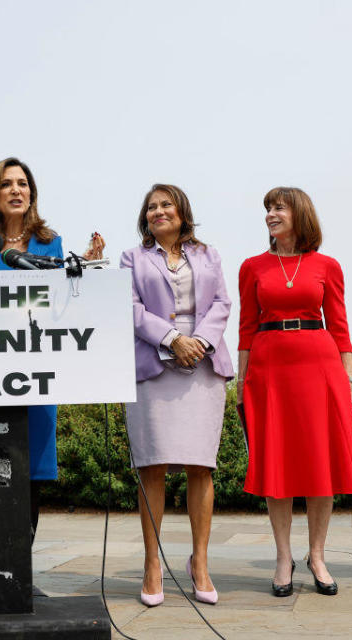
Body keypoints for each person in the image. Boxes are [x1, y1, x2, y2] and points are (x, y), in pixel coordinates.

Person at [0, 157, 104, 599]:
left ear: (32, 193)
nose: (17, 190)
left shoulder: (48, 243)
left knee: (28, 478)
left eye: (24, 184)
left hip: (34, 379)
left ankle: (18, 573)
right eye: (7, 184)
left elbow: (59, 305)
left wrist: (86, 271)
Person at [237, 186, 352, 598]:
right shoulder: (252, 266)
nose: (271, 215)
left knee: (320, 463)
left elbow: (341, 326)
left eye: (279, 208)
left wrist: (351, 383)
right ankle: (282, 557)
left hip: (320, 365)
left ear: (300, 215)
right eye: (268, 209)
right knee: (276, 465)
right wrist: (241, 385)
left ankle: (317, 555)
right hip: (269, 368)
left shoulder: (327, 265)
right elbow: (245, 327)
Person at [120, 184, 233, 607]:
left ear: (183, 212)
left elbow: (221, 303)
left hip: (202, 366)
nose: (157, 211)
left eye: (165, 204)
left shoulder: (209, 255)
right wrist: (171, 339)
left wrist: (197, 342)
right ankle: (153, 564)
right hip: (153, 366)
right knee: (152, 466)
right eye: (150, 206)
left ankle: (199, 562)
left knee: (201, 466)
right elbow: (129, 308)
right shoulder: (133, 258)